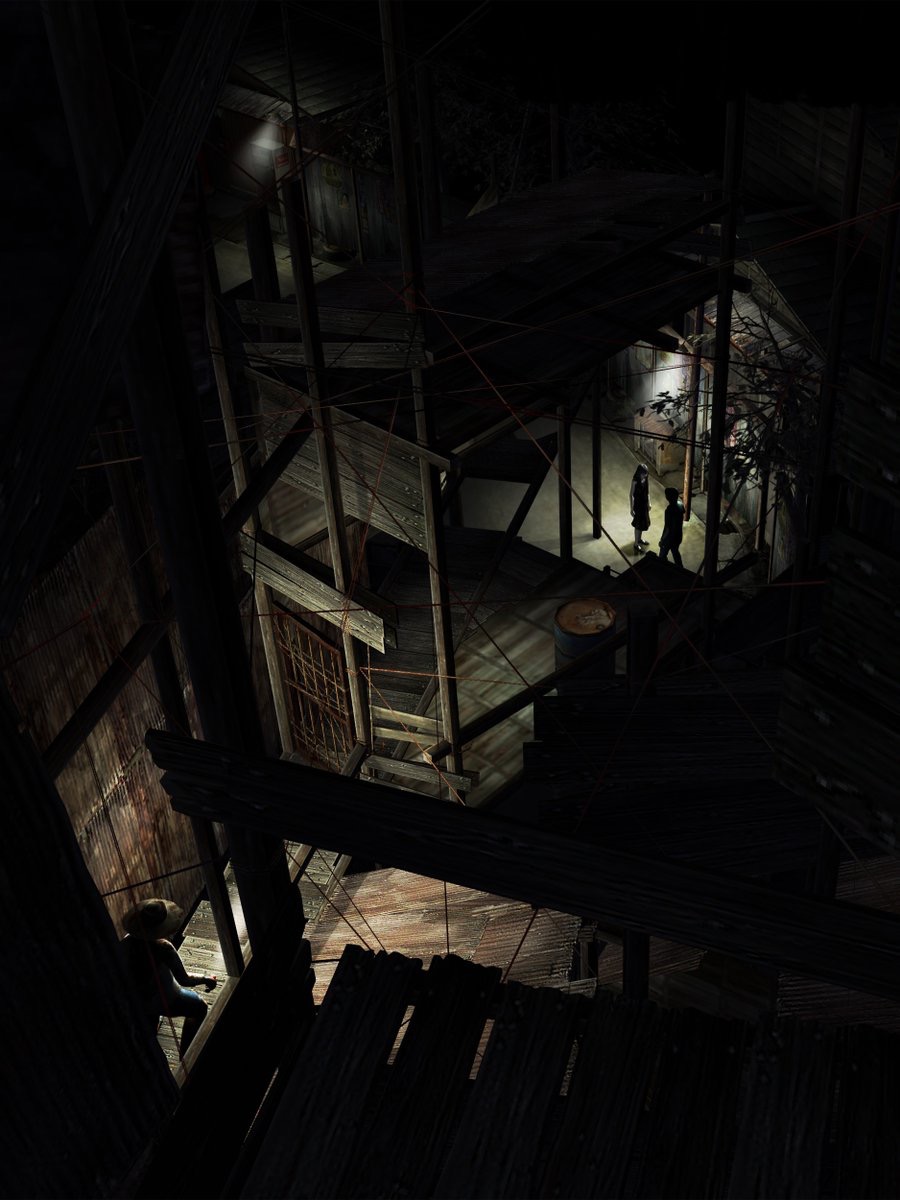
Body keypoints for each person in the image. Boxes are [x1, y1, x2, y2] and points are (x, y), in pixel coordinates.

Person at [121, 897, 217, 1057]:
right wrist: (205, 978)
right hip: (164, 997)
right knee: (199, 1007)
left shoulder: (125, 943)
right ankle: (187, 1054)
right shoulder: (163, 948)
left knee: (149, 1026)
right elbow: (184, 980)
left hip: (137, 1000)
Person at [658, 487, 685, 567]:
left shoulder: (669, 510)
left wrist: (662, 539)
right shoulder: (680, 505)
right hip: (678, 535)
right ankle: (680, 568)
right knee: (675, 552)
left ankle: (663, 569)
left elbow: (667, 528)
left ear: (668, 497)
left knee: (662, 555)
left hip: (670, 538)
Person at [630, 463, 651, 553]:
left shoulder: (646, 478)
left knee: (643, 523)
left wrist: (649, 502)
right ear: (639, 473)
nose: (645, 475)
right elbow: (631, 495)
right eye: (643, 474)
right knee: (638, 524)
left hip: (644, 504)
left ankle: (639, 539)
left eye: (646, 474)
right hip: (638, 505)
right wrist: (631, 508)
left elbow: (647, 492)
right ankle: (636, 543)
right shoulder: (635, 480)